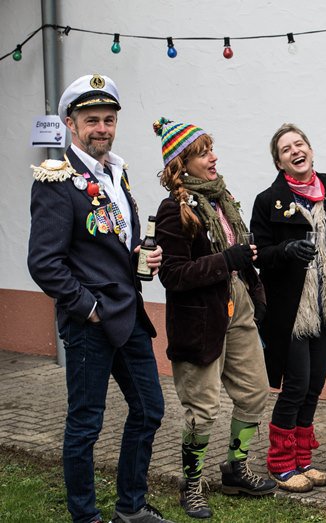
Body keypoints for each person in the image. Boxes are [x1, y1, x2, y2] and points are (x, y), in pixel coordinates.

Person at [27, 75, 172, 523]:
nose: (102, 128)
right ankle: (85, 517)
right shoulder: (56, 181)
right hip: (90, 321)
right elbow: (44, 262)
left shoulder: (115, 173)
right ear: (71, 124)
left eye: (109, 120)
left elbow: (109, 242)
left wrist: (142, 255)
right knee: (85, 425)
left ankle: (130, 508)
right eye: (92, 120)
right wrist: (87, 308)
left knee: (149, 409)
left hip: (128, 315)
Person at [153, 118, 278, 519]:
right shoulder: (175, 209)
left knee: (255, 391)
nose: (213, 157)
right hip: (199, 319)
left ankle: (235, 469)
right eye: (204, 152)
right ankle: (191, 485)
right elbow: (172, 275)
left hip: (236, 305)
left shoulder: (222, 198)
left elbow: (238, 256)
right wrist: (227, 259)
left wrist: (255, 292)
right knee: (203, 408)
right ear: (182, 163)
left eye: (211, 149)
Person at [250, 123, 326, 492]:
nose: (295, 151)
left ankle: (303, 459)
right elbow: (260, 255)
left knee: (315, 386)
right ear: (279, 162)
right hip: (292, 311)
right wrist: (285, 251)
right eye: (286, 149)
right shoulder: (268, 201)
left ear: (311, 150)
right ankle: (279, 463)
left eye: (299, 143)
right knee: (296, 386)